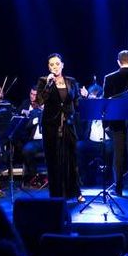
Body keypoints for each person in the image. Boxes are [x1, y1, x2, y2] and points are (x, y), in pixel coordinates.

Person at [36, 52, 85, 202]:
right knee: (54, 161)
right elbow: (40, 101)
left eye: (57, 64)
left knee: (72, 159)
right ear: (48, 67)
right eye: (52, 65)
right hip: (51, 126)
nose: (55, 67)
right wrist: (48, 84)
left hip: (68, 125)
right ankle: (57, 195)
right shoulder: (44, 81)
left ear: (62, 65)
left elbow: (76, 103)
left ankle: (75, 192)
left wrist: (84, 96)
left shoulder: (71, 81)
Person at [103, 50, 128, 196]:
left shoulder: (109, 78)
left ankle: (118, 188)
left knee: (118, 156)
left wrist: (106, 125)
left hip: (116, 123)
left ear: (118, 62)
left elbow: (106, 103)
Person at [76, 83, 112, 187]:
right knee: (78, 146)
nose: (93, 100)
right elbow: (79, 109)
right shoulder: (89, 109)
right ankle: (86, 178)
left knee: (110, 149)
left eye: (95, 98)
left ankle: (109, 178)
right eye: (91, 98)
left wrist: (89, 97)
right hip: (92, 142)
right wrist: (84, 99)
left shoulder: (107, 106)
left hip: (107, 141)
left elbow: (100, 107)